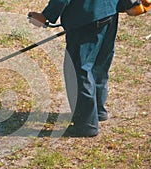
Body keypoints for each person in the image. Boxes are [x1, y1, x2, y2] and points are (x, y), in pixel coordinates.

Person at [28, 0, 121, 137]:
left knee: (79, 70)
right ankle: (98, 111)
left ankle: (86, 125)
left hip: (86, 18)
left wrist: (45, 16)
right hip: (110, 11)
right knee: (100, 63)